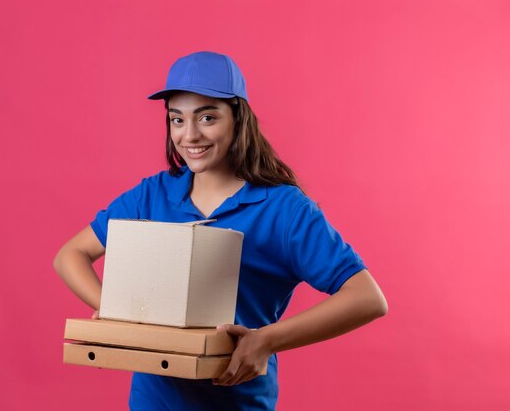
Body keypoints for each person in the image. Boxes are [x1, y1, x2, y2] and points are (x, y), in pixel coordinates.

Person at [53, 51, 388, 411]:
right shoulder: (153, 195)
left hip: (237, 402)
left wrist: (266, 340)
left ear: (238, 119)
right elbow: (70, 255)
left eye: (208, 117)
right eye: (177, 119)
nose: (190, 134)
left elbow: (367, 298)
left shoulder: (284, 209)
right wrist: (118, 311)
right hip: (153, 403)